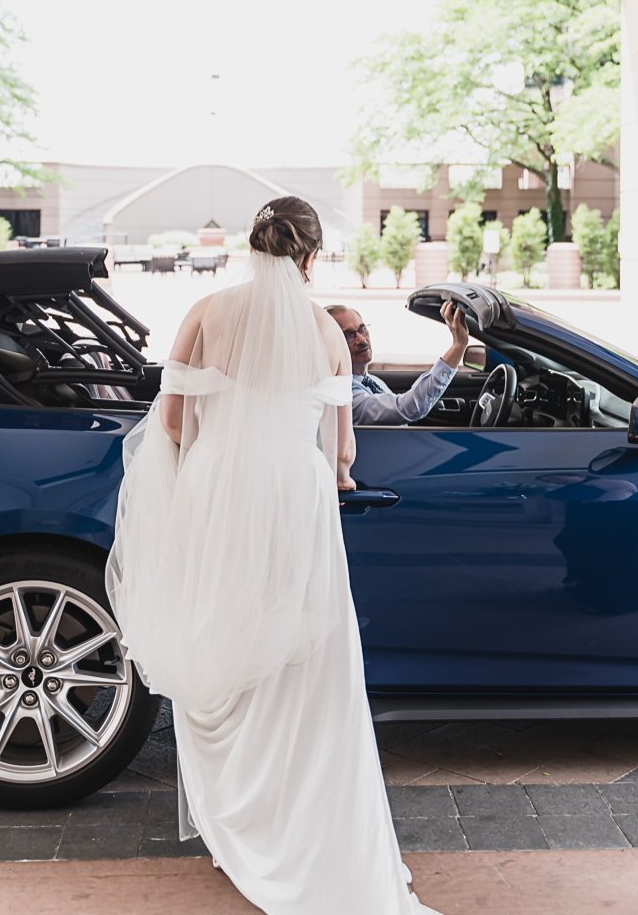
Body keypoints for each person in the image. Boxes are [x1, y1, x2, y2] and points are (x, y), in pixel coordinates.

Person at [106, 196, 442, 915]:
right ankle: (303, 822)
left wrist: (220, 464)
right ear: (311, 257)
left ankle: (237, 813)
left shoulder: (205, 312)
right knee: (303, 660)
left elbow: (170, 420)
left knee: (223, 637)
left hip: (213, 487)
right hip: (297, 498)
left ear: (249, 246)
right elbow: (343, 447)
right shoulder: (326, 329)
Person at [326, 300, 469, 425]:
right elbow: (408, 408)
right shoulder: (346, 397)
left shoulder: (371, 381)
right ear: (331, 345)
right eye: (349, 335)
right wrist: (458, 345)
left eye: (362, 329)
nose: (362, 340)